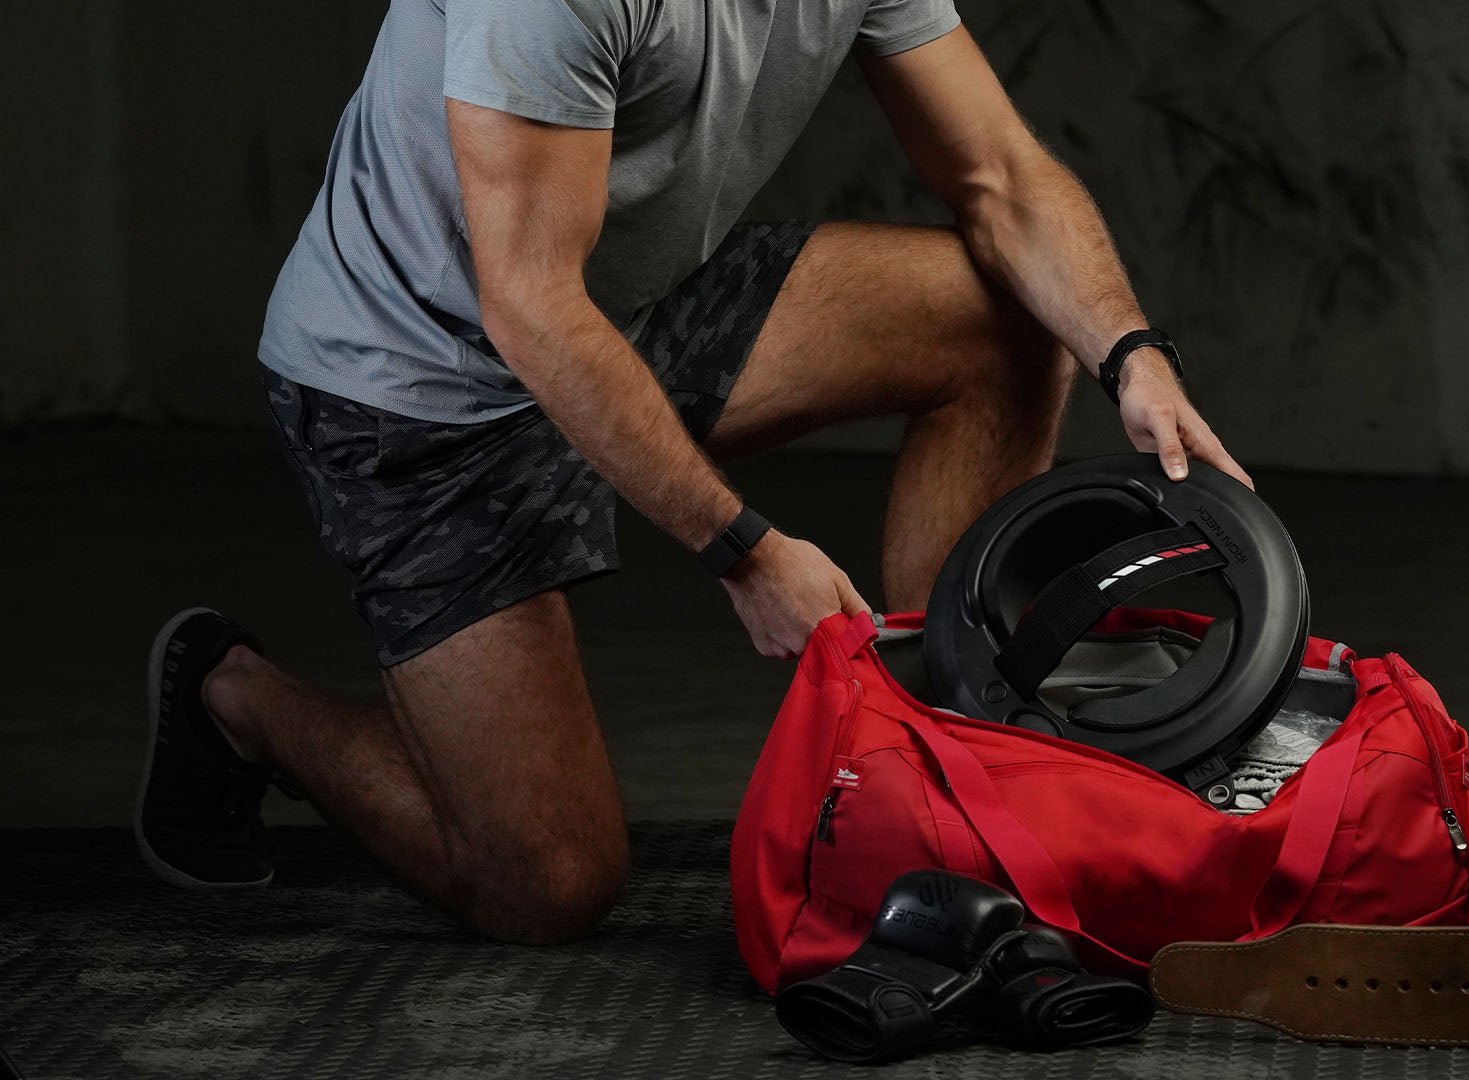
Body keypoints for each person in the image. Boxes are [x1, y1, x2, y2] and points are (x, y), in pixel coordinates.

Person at [136, 0, 1252, 944]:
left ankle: (947, 759)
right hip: (418, 390)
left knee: (1005, 326)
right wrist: (744, 547)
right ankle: (235, 699)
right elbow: (524, 302)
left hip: (625, 311)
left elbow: (1002, 177)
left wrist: (1134, 356)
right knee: (544, 885)